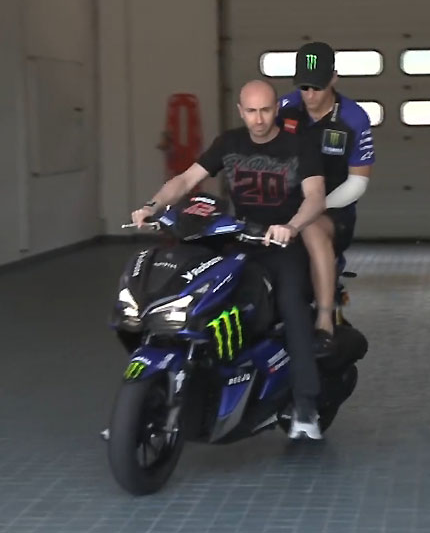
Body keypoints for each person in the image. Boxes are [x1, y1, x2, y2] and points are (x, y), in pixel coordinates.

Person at [131, 80, 328, 439]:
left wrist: (291, 226)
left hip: (281, 244)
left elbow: (315, 196)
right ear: (241, 111)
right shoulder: (229, 143)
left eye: (265, 110)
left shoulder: (299, 145)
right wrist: (152, 205)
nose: (258, 119)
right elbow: (186, 179)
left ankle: (305, 406)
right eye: (251, 111)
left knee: (292, 305)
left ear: (276, 109)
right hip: (237, 239)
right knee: (197, 290)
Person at [277, 42, 376, 347]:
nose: (309, 95)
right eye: (304, 87)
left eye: (317, 87)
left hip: (333, 209)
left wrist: (315, 207)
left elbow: (357, 183)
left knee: (311, 229)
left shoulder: (354, 118)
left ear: (334, 78)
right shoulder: (284, 108)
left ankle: (324, 319)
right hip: (286, 204)